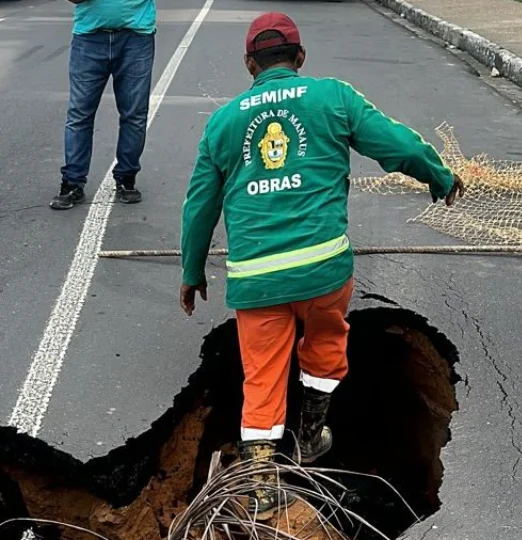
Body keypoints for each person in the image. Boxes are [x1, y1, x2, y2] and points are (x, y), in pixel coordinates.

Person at [178, 12, 464, 520]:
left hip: (256, 278)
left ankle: (261, 483)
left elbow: (200, 204)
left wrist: (192, 270)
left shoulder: (223, 123)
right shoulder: (333, 97)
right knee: (325, 347)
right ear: (300, 58)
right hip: (323, 269)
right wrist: (438, 176)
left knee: (262, 374)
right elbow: (396, 143)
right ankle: (310, 435)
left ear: (249, 64)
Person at [50, 0, 157, 210]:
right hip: (89, 36)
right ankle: (72, 182)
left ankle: (126, 178)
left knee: (134, 114)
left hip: (136, 36)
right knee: (79, 114)